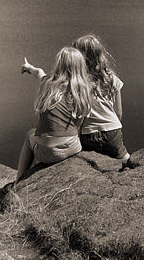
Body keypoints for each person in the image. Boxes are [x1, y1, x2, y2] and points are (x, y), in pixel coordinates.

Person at [14, 47, 94, 185]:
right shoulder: (82, 90)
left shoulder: (48, 83)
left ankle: (18, 181)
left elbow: (39, 72)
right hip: (70, 149)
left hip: (46, 152)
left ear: (59, 64)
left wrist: (28, 67)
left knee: (30, 135)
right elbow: (79, 124)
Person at [72, 33, 138, 170]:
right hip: (112, 130)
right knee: (124, 156)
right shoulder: (112, 79)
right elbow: (118, 114)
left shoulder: (79, 83)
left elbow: (79, 116)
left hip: (88, 135)